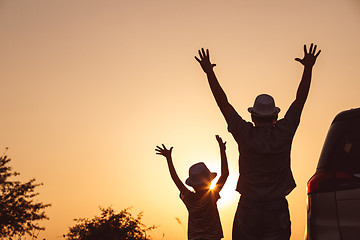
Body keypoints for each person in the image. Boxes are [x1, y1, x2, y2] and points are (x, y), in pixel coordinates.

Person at [195, 44, 321, 240]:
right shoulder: (284, 132)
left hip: (248, 208)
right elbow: (300, 100)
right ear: (275, 117)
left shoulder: (244, 133)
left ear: (253, 117)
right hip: (277, 208)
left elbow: (223, 103)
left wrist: (209, 73)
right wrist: (308, 68)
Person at [156, 135, 229, 240]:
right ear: (209, 181)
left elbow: (175, 179)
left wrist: (168, 158)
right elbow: (225, 174)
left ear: (192, 184)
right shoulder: (211, 196)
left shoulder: (189, 198)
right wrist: (222, 150)